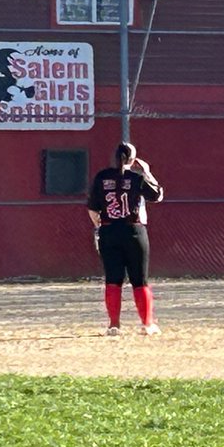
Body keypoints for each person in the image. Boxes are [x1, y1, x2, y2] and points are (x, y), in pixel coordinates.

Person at [86, 141, 163, 335]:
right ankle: (147, 324)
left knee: (113, 280)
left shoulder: (102, 177)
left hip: (109, 230)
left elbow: (93, 209)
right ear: (132, 159)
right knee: (140, 280)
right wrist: (147, 172)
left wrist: (101, 229)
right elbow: (158, 195)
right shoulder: (136, 178)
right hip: (134, 231)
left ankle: (114, 325)